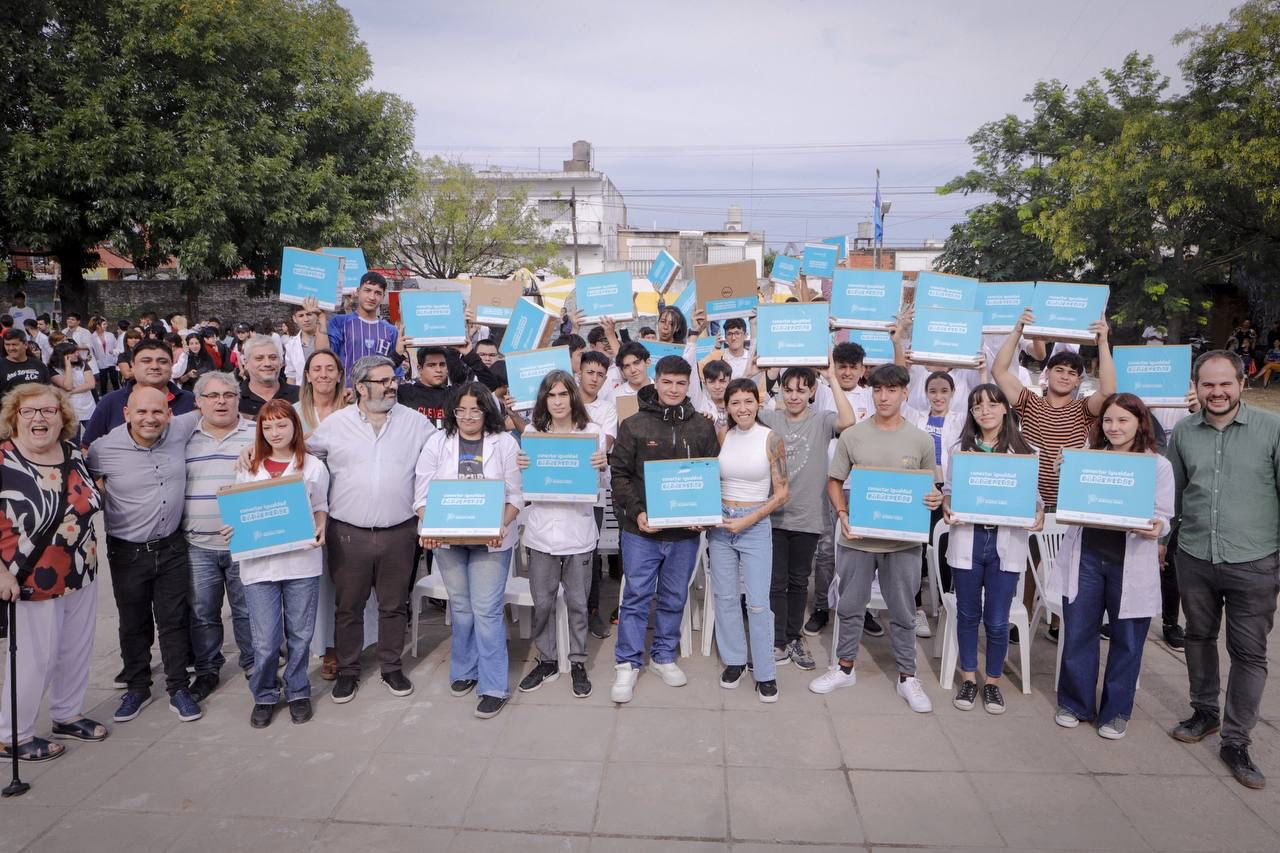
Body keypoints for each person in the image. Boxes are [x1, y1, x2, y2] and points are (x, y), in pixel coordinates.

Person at [1167, 350, 1280, 789]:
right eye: (1207, 385)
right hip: (1194, 556)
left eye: (1225, 384)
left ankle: (1236, 739)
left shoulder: (1271, 430)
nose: (1216, 392)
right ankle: (1205, 713)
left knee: (1250, 654)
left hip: (1254, 560)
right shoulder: (1183, 431)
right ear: (1195, 387)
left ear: (1241, 385)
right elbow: (1173, 493)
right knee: (1197, 637)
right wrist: (1163, 542)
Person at [808, 364, 943, 712]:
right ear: (872, 392)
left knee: (902, 611)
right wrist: (842, 514)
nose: (884, 397)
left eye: (892, 390)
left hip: (903, 543)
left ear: (904, 394)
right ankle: (844, 667)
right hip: (858, 537)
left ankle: (907, 676)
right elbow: (834, 481)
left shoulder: (921, 440)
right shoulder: (853, 435)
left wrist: (935, 498)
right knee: (851, 606)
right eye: (878, 390)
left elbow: (933, 488)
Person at [306, 355, 434, 704]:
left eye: (393, 379)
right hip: (349, 534)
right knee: (349, 606)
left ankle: (391, 666)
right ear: (360, 387)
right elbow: (301, 458)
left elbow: (444, 455)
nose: (392, 386)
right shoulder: (335, 425)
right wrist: (251, 454)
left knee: (394, 604)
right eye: (383, 381)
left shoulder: (417, 424)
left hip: (400, 531)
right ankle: (348, 671)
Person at [1050, 392, 1173, 739]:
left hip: (1130, 559)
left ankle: (1116, 711)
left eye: (1123, 420)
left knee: (1128, 640)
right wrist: (1068, 474)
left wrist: (1156, 528)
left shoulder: (1157, 465)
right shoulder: (1087, 460)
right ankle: (1074, 703)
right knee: (1079, 632)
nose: (1114, 427)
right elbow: (1074, 505)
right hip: (1087, 556)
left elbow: (1164, 514)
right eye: (1108, 420)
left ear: (1139, 423)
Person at [993, 307, 1114, 640]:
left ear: (1078, 380)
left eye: (1071, 372)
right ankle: (1023, 618)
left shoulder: (1084, 410)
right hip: (1030, 501)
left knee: (1069, 566)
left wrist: (1102, 341)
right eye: (1058, 370)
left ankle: (1059, 622)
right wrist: (1018, 329)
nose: (1064, 375)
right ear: (1046, 375)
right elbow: (999, 370)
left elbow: (1108, 390)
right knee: (1027, 565)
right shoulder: (1029, 402)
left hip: (1068, 503)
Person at [0, 384, 105, 762]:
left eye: (48, 411)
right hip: (28, 579)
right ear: (14, 419)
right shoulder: (4, 460)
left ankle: (66, 713)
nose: (39, 419)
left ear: (63, 418)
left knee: (74, 649)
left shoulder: (74, 454)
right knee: (33, 657)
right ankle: (13, 734)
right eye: (29, 412)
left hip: (81, 569)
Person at [87, 387, 203, 724]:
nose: (150, 419)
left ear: (169, 414)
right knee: (133, 622)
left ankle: (178, 687)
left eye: (157, 412)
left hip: (172, 547)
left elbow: (215, 408)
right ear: (127, 414)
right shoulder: (103, 449)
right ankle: (138, 687)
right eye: (141, 412)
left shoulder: (179, 429)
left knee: (174, 620)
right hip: (127, 551)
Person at [608, 355, 719, 703]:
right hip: (642, 531)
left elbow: (711, 474)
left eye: (681, 383)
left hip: (685, 533)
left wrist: (705, 511)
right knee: (637, 596)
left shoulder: (702, 427)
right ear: (656, 382)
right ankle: (627, 662)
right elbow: (620, 475)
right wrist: (637, 512)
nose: (673, 389)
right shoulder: (635, 424)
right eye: (667, 382)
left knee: (674, 597)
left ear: (689, 386)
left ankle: (663, 655)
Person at [415, 382, 523, 718]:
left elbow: (515, 496)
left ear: (487, 411)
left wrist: (500, 526)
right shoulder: (438, 442)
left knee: (487, 610)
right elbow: (421, 496)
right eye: (460, 410)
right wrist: (429, 528)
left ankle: (493, 685)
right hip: (448, 541)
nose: (467, 416)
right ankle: (464, 669)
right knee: (461, 607)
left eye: (474, 409)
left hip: (491, 541)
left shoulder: (503, 443)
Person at [942, 384, 1043, 715]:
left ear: (1005, 409)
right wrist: (946, 502)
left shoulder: (1025, 452)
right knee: (969, 614)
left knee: (998, 621)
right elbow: (951, 491)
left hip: (1006, 544)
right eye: (976, 406)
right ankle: (970, 678)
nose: (984, 410)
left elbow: (1034, 499)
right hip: (968, 542)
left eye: (991, 404)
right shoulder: (962, 451)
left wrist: (1039, 513)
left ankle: (993, 682)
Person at [229, 401, 329, 728]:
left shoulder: (312, 466)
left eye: (282, 425)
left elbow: (320, 506)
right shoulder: (249, 465)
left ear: (295, 427)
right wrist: (232, 526)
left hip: (301, 561)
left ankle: (298, 690)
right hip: (259, 565)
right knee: (266, 640)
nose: (275, 433)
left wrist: (321, 525)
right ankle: (265, 694)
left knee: (300, 635)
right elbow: (239, 510)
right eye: (268, 427)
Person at [513, 371, 606, 699]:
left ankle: (578, 660)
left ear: (572, 398)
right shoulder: (533, 434)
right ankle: (547, 658)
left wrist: (602, 465)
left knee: (579, 603)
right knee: (543, 603)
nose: (557, 402)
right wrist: (521, 464)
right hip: (541, 534)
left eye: (563, 395)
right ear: (544, 400)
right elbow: (523, 486)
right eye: (551, 396)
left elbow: (599, 487)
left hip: (578, 532)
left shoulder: (592, 434)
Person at [758, 365, 856, 671]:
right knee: (776, 582)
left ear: (813, 391)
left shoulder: (823, 420)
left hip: (809, 516)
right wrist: (760, 371)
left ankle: (793, 636)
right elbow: (747, 401)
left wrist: (831, 376)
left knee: (800, 581)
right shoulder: (772, 418)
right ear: (781, 391)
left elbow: (849, 420)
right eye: (789, 390)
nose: (794, 396)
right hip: (774, 515)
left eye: (802, 389)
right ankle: (777, 641)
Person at [710, 378, 789, 702]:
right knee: (726, 597)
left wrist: (750, 518)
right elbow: (711, 478)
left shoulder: (771, 438)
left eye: (748, 401)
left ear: (758, 403)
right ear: (727, 406)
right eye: (735, 402)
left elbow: (783, 492)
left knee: (757, 602)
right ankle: (734, 660)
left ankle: (765, 671)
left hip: (755, 524)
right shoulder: (723, 435)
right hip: (722, 524)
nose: (742, 408)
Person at [182, 371, 257, 702]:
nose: (221, 401)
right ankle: (207, 669)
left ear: (238, 398)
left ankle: (256, 665)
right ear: (198, 402)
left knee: (247, 610)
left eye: (228, 394)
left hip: (245, 541)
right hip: (197, 543)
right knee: (203, 612)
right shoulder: (183, 437)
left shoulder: (258, 434)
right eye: (212, 396)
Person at [807, 341, 875, 638]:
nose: (847, 372)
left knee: (863, 551)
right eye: (842, 366)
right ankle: (822, 605)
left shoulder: (872, 396)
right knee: (824, 551)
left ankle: (862, 607)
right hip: (826, 483)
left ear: (862, 369)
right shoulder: (821, 391)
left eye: (852, 367)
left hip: (860, 485)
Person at [82, 339, 196, 446]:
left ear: (171, 365)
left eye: (162, 361)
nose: (155, 366)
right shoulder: (111, 402)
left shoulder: (190, 401)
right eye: (146, 361)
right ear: (133, 365)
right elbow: (88, 447)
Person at [577, 349, 618, 639]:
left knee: (590, 552)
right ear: (578, 372)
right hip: (557, 489)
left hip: (594, 490)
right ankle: (566, 610)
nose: (595, 379)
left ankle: (591, 612)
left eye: (600, 375)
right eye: (590, 372)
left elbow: (605, 444)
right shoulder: (560, 400)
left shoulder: (607, 409)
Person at [327, 272, 398, 386]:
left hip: (379, 397)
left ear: (383, 297)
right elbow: (328, 357)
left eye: (378, 293)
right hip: (346, 396)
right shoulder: (339, 322)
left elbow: (396, 370)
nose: (372, 297)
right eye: (367, 290)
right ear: (358, 291)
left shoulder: (391, 331)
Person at [238, 334, 299, 419]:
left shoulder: (300, 396)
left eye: (273, 358)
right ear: (246, 363)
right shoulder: (235, 400)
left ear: (281, 362)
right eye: (259, 358)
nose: (267, 363)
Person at [47, 341, 96, 442]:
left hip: (87, 406)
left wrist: (72, 392)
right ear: (64, 355)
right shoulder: (53, 369)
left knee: (95, 435)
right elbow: (68, 385)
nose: (77, 354)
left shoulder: (82, 364)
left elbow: (91, 383)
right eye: (73, 352)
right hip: (70, 408)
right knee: (74, 439)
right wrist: (68, 366)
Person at [397, 346, 453, 428]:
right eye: (432, 365)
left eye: (442, 365)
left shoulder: (455, 394)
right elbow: (375, 388)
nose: (438, 370)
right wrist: (396, 355)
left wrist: (469, 355)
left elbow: (478, 389)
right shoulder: (405, 393)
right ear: (420, 369)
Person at [295, 349, 347, 436]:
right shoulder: (294, 413)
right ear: (308, 376)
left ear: (339, 376)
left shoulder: (353, 412)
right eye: (317, 369)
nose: (323, 375)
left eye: (330, 369)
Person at [283, 297, 330, 385]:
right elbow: (291, 376)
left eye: (309, 314)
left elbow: (324, 355)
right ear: (294, 318)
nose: (306, 319)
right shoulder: (290, 345)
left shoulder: (327, 338)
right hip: (301, 393)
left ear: (316, 315)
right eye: (301, 316)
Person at [1, 329, 49, 396]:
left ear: (25, 345)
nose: (11, 348)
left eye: (14, 344)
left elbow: (48, 389)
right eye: (7, 345)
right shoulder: (1, 366)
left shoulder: (38, 364)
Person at [88, 317, 119, 395]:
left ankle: (118, 395)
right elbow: (91, 350)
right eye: (104, 324)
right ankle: (104, 398)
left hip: (112, 361)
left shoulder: (110, 335)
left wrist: (114, 352)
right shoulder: (92, 337)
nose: (106, 325)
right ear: (98, 325)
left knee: (115, 381)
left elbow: (117, 347)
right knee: (103, 383)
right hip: (100, 363)